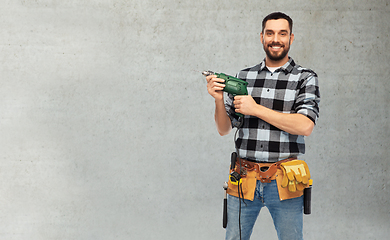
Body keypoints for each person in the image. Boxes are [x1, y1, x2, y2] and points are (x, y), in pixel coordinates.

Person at [205, 12, 320, 240]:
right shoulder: (243, 77)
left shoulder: (305, 78)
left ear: (291, 38)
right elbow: (224, 128)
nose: (275, 39)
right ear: (261, 37)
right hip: (243, 179)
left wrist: (255, 108)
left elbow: (305, 126)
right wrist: (218, 98)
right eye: (270, 33)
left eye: (282, 33)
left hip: (284, 181)